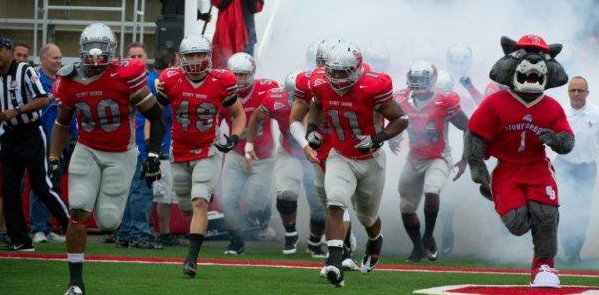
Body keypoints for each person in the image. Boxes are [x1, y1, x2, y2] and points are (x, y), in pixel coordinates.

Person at [49, 23, 165, 295]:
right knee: (78, 209)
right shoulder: (68, 80)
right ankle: (75, 283)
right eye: (89, 50)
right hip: (87, 148)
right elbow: (61, 124)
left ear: (111, 51)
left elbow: (156, 117)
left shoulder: (126, 76)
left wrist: (152, 154)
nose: (94, 56)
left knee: (109, 221)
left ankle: (103, 200)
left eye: (99, 50)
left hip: (121, 154)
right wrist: (54, 157)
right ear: (81, 51)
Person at [466, 35, 572, 288]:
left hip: (537, 166)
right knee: (517, 224)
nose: (534, 61)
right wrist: (477, 168)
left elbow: (568, 141)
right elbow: (476, 138)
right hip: (507, 169)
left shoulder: (552, 106)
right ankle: (499, 194)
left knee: (546, 215)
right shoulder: (494, 104)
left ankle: (544, 267)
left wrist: (556, 140)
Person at [307, 41, 408, 287]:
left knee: (366, 216)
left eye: (343, 71)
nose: (337, 77)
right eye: (333, 70)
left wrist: (377, 139)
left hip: (370, 160)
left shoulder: (372, 87)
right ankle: (333, 262)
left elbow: (401, 119)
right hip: (339, 155)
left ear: (356, 69)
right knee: (335, 201)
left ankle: (375, 240)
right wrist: (311, 128)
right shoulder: (320, 83)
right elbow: (316, 104)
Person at [155, 35, 246, 278]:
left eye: (200, 54)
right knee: (187, 207)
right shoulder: (170, 79)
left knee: (199, 201)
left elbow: (238, 114)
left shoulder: (222, 80)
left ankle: (191, 259)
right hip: (179, 149)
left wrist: (234, 138)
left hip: (208, 148)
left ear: (208, 56)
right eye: (190, 55)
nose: (196, 60)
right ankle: (203, 200)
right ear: (181, 58)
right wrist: (154, 149)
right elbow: (156, 114)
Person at [289, 36, 359, 266]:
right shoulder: (309, 82)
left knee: (336, 200)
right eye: (325, 64)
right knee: (327, 200)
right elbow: (296, 119)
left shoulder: (359, 83)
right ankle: (345, 244)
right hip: (319, 147)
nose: (332, 73)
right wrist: (306, 145)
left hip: (344, 146)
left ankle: (339, 255)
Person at [393, 61, 468, 263]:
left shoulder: (444, 101)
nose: (417, 83)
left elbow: (467, 127)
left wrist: (464, 160)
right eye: (414, 79)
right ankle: (418, 247)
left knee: (431, 190)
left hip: (439, 157)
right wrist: (392, 138)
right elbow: (391, 119)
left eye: (422, 79)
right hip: (415, 158)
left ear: (432, 80)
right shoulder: (401, 99)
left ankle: (428, 235)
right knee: (406, 207)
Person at [245, 70, 326, 255]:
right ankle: (290, 233)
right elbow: (257, 117)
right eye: (293, 95)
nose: (297, 99)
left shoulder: (322, 99)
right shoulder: (276, 98)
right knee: (286, 192)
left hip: (317, 154)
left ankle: (314, 242)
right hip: (289, 152)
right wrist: (249, 145)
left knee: (320, 205)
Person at [0, 37, 69, 252]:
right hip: (9, 135)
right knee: (9, 189)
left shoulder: (25, 71)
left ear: (9, 52)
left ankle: (70, 225)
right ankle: (20, 239)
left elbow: (43, 99)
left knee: (41, 186)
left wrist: (18, 110)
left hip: (31, 132)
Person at [219, 52, 278, 255]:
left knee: (254, 204)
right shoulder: (223, 92)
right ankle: (236, 241)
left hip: (262, 156)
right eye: (236, 74)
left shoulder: (267, 88)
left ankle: (265, 208)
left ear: (252, 73)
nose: (239, 79)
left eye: (244, 74)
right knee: (228, 198)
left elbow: (284, 110)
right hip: (236, 154)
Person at [114, 42, 164, 250]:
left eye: (139, 56)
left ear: (146, 58)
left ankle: (126, 233)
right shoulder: (150, 82)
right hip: (137, 145)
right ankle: (139, 235)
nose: (136, 59)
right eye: (132, 56)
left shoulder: (150, 81)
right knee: (140, 191)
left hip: (138, 144)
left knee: (132, 190)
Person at [30, 43, 73, 244]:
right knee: (41, 183)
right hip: (42, 138)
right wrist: (49, 98)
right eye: (55, 57)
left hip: (61, 140)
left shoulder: (63, 80)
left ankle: (46, 227)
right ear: (43, 59)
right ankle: (38, 227)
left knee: (54, 184)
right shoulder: (35, 80)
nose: (59, 61)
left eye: (60, 57)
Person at [554, 76, 599, 264]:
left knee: (583, 210)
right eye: (573, 90)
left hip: (587, 167)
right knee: (564, 208)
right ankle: (567, 250)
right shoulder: (560, 112)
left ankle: (576, 251)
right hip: (564, 165)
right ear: (568, 93)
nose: (576, 94)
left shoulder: (596, 113)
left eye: (580, 90)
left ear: (587, 93)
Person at [146, 48, 179, 246]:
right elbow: (154, 118)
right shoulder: (158, 83)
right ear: (168, 66)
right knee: (159, 193)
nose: (178, 68)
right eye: (176, 64)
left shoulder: (153, 80)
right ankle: (159, 232)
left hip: (161, 144)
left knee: (161, 193)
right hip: (160, 145)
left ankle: (150, 230)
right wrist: (153, 147)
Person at [210, 0, 264, 68]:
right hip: (225, 36)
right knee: (223, 69)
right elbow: (219, 3)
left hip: (246, 36)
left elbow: (257, 7)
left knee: (245, 69)